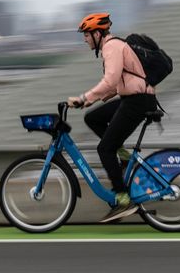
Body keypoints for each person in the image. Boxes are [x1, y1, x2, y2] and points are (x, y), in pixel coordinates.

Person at [67, 12, 159, 223]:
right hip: (133, 99)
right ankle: (124, 156)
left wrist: (83, 97)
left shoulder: (112, 47)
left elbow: (110, 81)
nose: (85, 39)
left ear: (98, 33)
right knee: (93, 119)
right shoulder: (112, 47)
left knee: (104, 148)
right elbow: (116, 85)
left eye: (87, 35)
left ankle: (123, 198)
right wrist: (88, 102)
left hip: (139, 101)